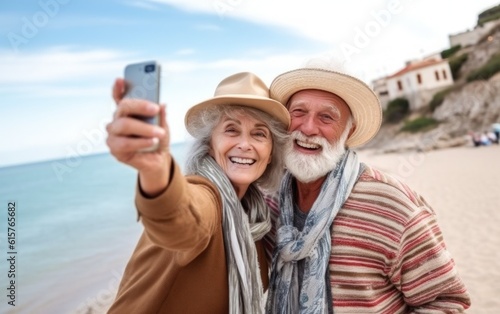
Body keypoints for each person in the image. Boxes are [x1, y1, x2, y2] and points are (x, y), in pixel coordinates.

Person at [264, 67, 471, 313]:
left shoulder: (394, 205)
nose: (308, 128)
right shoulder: (272, 199)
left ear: (348, 131)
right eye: (298, 112)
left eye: (326, 117)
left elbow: (446, 301)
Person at [105, 72, 290, 313]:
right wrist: (156, 168)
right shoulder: (207, 197)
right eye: (232, 130)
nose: (245, 144)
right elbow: (182, 218)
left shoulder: (255, 218)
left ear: (270, 155)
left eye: (259, 134)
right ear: (210, 145)